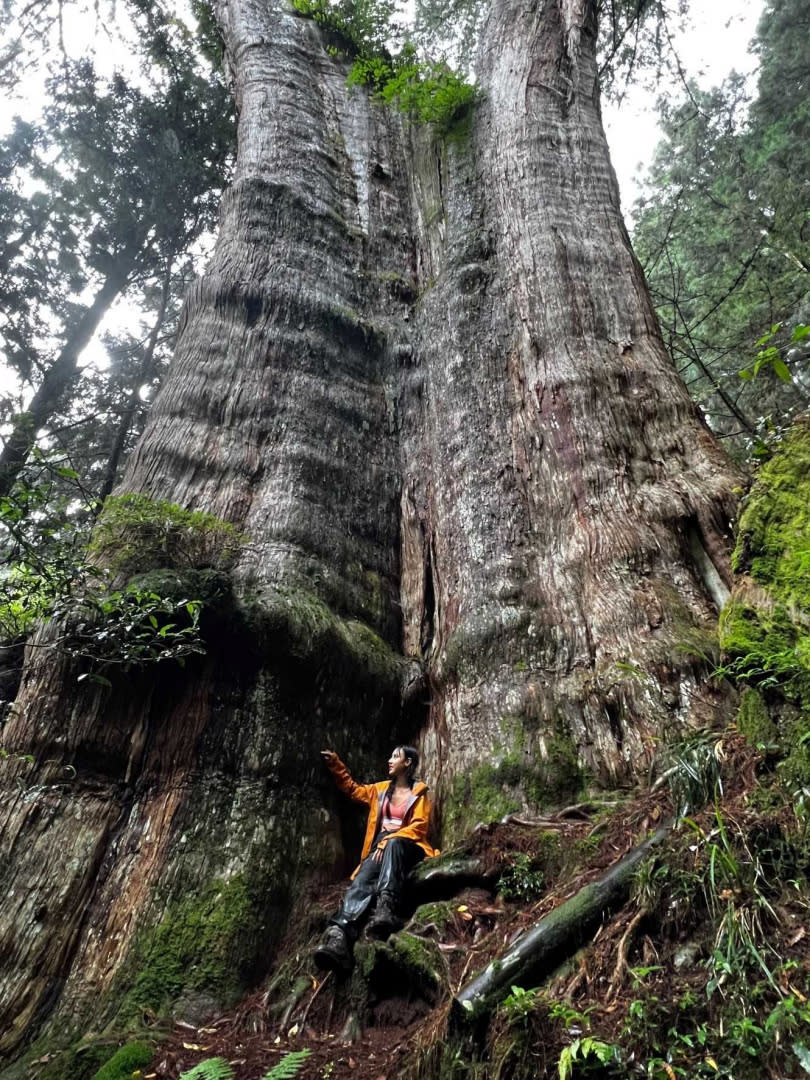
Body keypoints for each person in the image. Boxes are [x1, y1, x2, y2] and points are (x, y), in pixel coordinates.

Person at [314, 745, 438, 973]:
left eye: (395, 757)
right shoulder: (379, 790)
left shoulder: (419, 793)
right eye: (390, 756)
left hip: (407, 845)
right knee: (363, 877)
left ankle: (385, 909)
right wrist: (335, 764)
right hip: (380, 848)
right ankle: (339, 936)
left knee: (392, 844)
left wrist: (388, 840)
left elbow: (419, 827)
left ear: (408, 763)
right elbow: (352, 790)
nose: (389, 760)